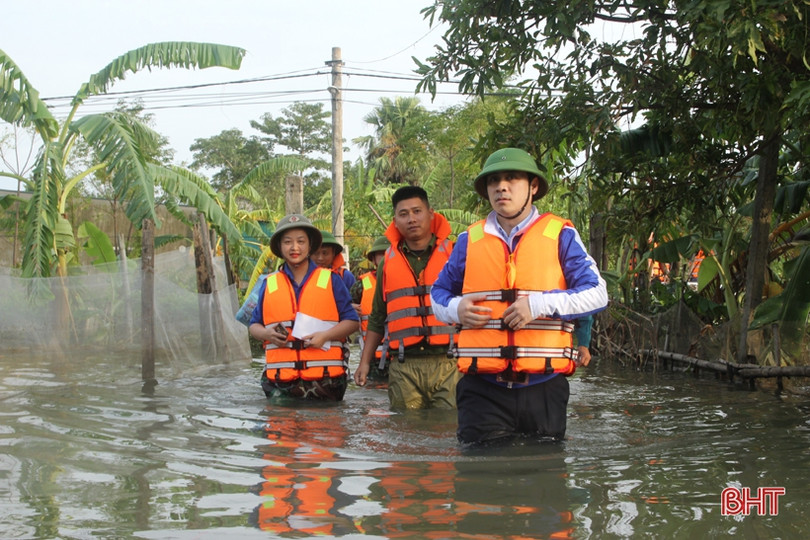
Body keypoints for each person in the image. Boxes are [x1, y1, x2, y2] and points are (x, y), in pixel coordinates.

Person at [430, 148, 608, 445]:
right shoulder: (469, 240)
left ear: (533, 187)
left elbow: (597, 293)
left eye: (512, 178)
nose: (501, 186)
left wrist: (539, 304)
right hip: (481, 389)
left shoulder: (560, 234)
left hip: (545, 388)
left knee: (546, 478)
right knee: (480, 480)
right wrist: (456, 309)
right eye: (494, 180)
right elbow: (438, 294)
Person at [353, 186, 459, 409]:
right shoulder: (388, 263)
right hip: (403, 366)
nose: (411, 219)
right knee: (405, 434)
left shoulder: (455, 254)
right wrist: (364, 363)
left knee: (449, 431)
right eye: (404, 214)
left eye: (417, 211)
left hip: (450, 363)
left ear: (431, 214)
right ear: (395, 221)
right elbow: (377, 318)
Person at [249, 214, 359, 401]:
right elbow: (254, 325)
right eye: (287, 242)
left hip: (326, 382)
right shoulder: (269, 283)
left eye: (301, 241)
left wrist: (325, 336)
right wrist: (266, 334)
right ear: (279, 247)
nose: (294, 247)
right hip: (280, 383)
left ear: (310, 246)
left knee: (327, 429)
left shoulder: (332, 280)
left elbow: (352, 322)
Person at [350, 235, 391, 381]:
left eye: (389, 253)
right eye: (381, 255)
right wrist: (351, 308)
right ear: (373, 260)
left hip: (401, 357)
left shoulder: (407, 281)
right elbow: (342, 309)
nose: (386, 258)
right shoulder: (361, 286)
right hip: (373, 358)